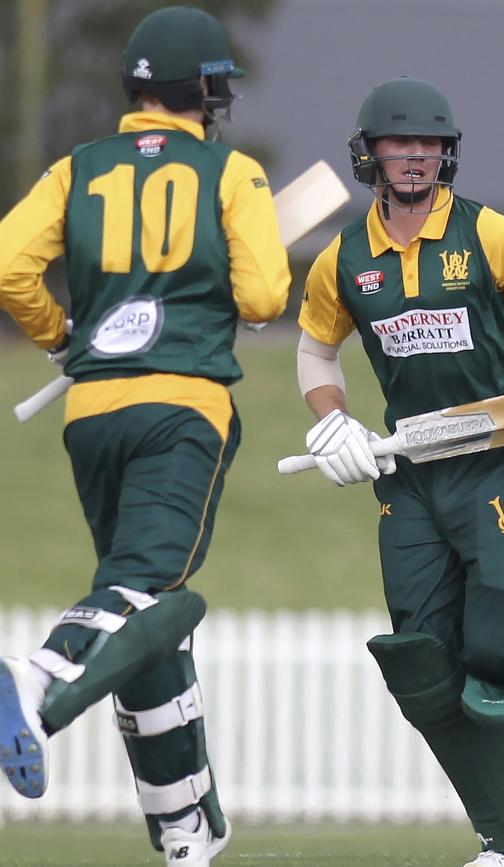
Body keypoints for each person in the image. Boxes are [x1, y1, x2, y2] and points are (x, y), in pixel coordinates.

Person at [295, 77, 504, 867]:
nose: (416, 157)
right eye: (400, 145)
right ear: (369, 153)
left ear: (449, 153)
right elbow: (314, 348)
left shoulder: (491, 234)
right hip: (410, 469)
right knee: (421, 664)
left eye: (430, 144)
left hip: (500, 459)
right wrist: (331, 418)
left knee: (498, 660)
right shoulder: (343, 258)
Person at [0, 7, 290, 866]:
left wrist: (60, 334)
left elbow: (9, 262)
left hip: (92, 413)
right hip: (183, 405)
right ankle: (38, 675)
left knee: (145, 613)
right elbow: (268, 296)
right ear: (201, 91)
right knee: (143, 585)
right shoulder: (230, 173)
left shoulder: (74, 169)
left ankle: (183, 827)